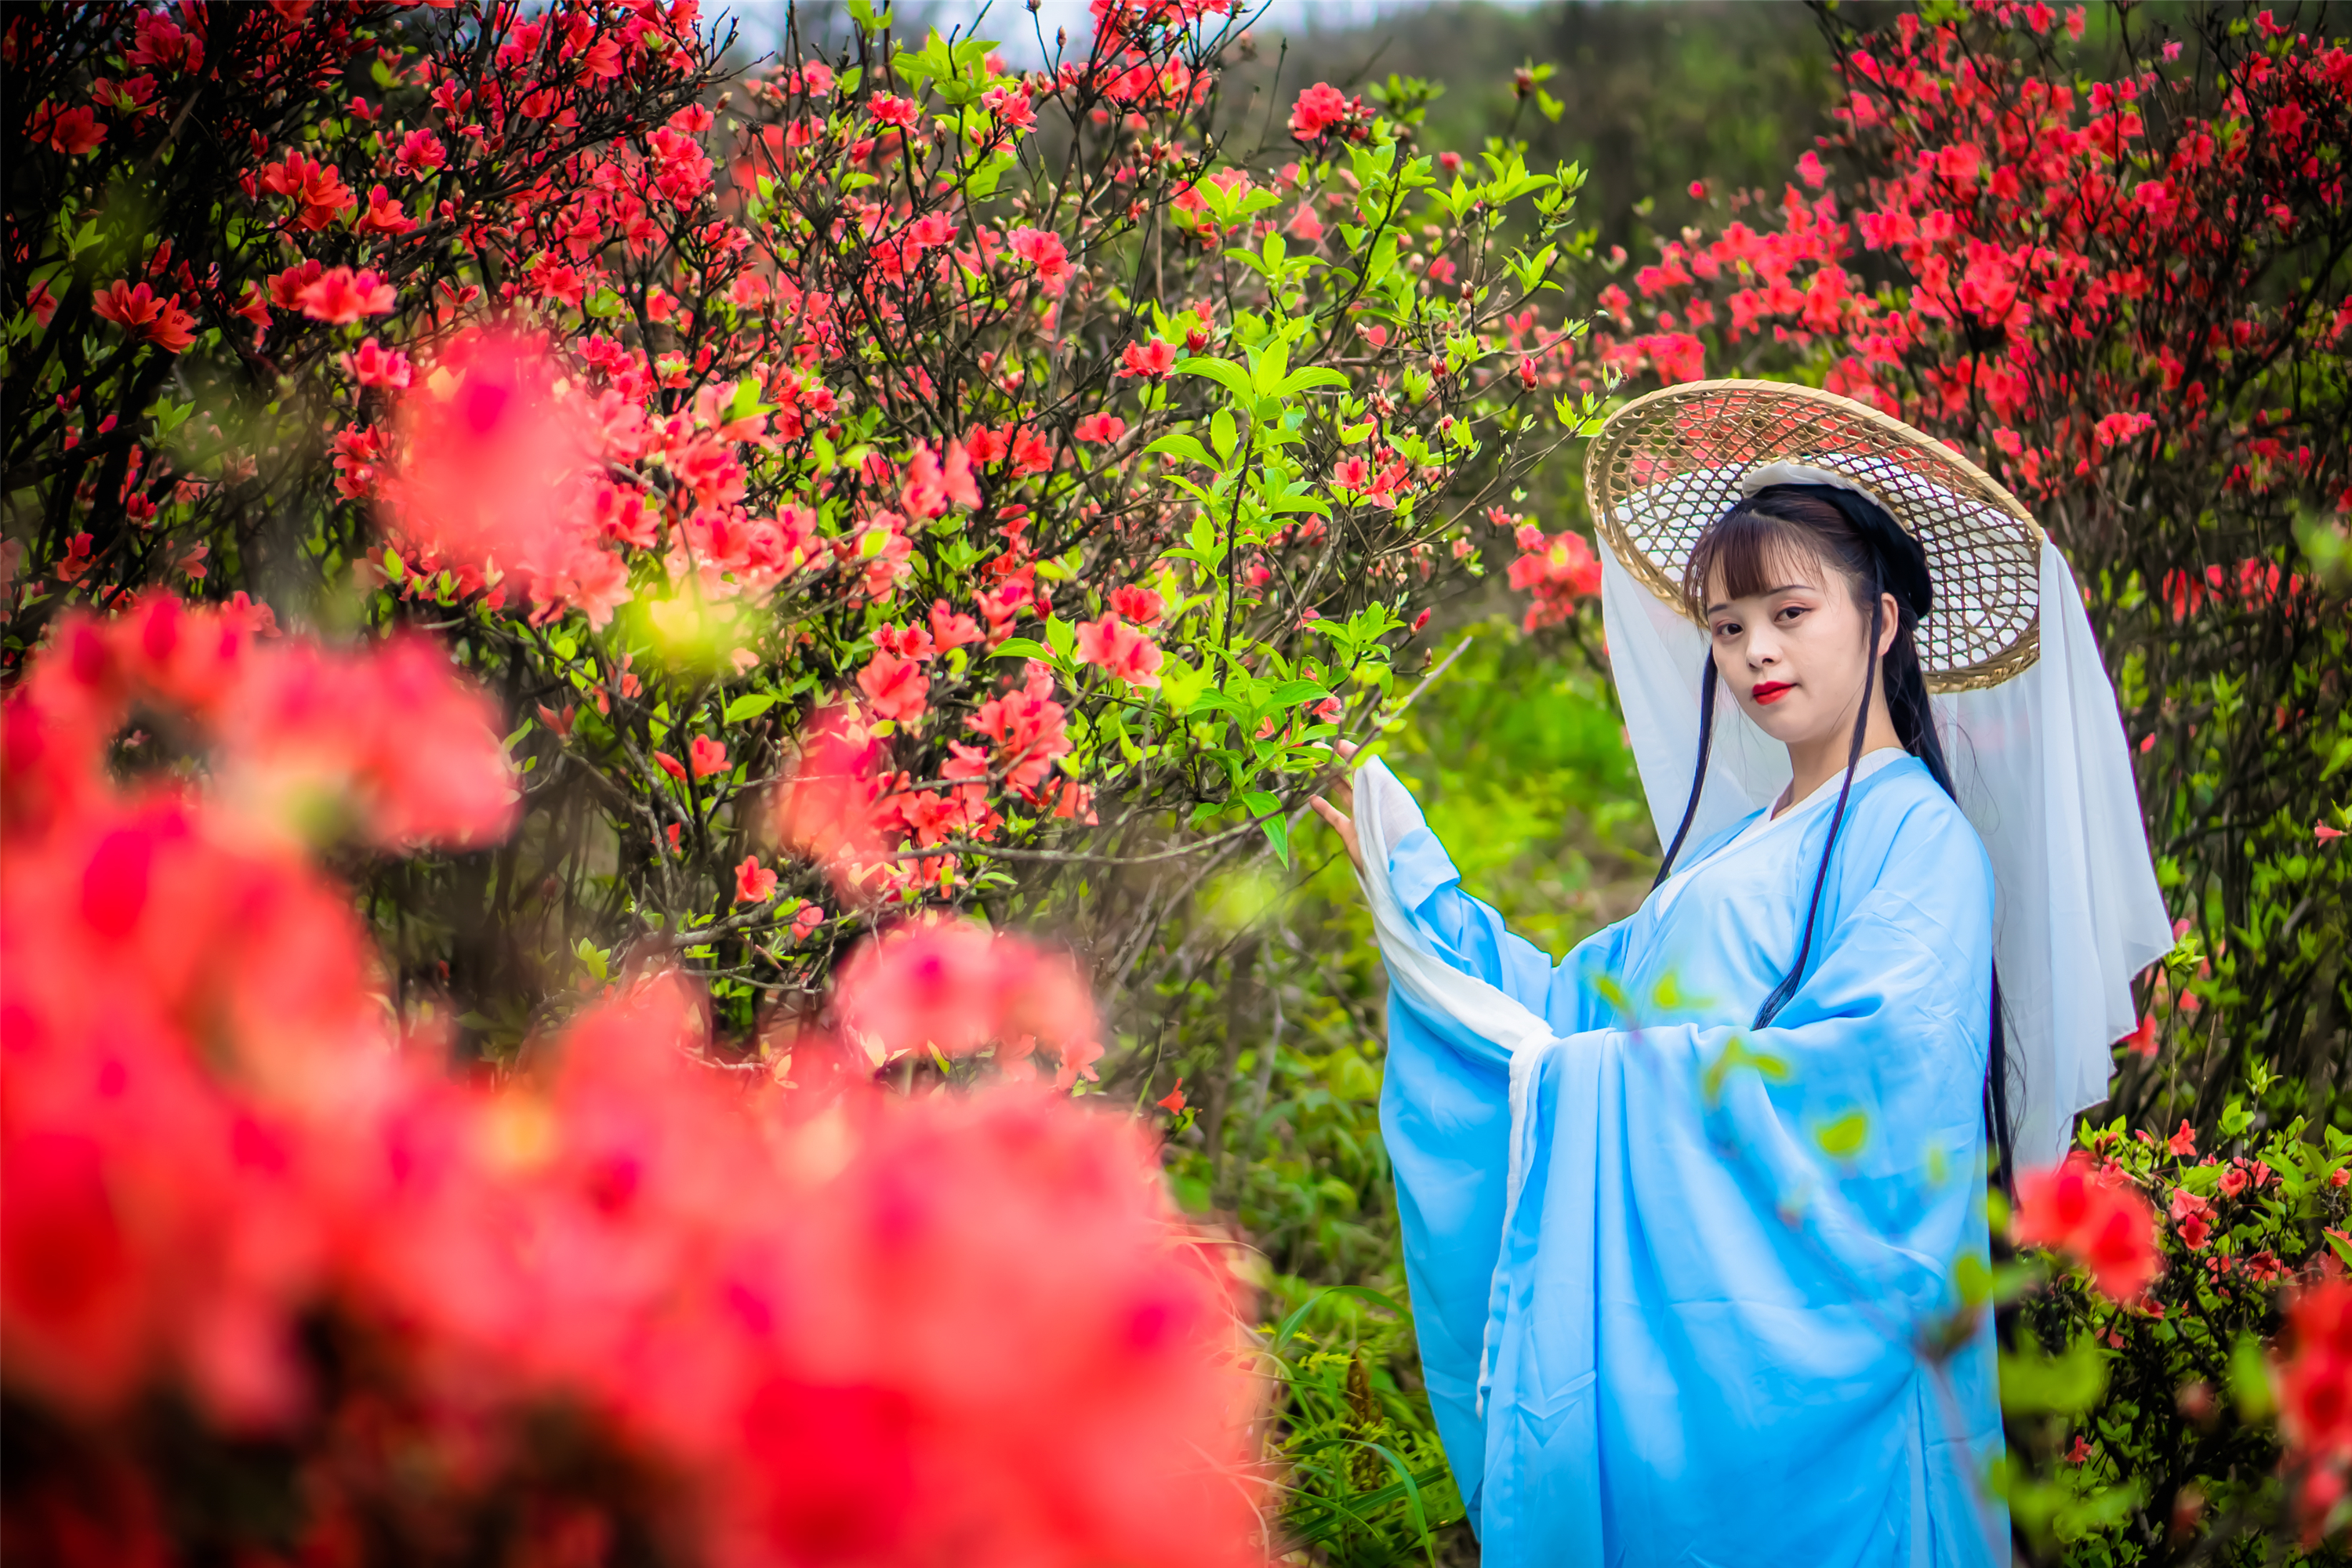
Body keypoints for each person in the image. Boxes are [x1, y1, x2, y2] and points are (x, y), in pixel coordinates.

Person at [1309, 381, 2171, 1566]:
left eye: (1788, 610)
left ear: (1880, 623)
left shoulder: (1921, 840)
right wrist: (1427, 912)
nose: (1754, 649)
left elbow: (1872, 1090)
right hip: (1697, 1347)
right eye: (1724, 626)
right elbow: (1572, 1011)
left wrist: (1614, 1078)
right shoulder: (1745, 841)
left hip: (1829, 1385)